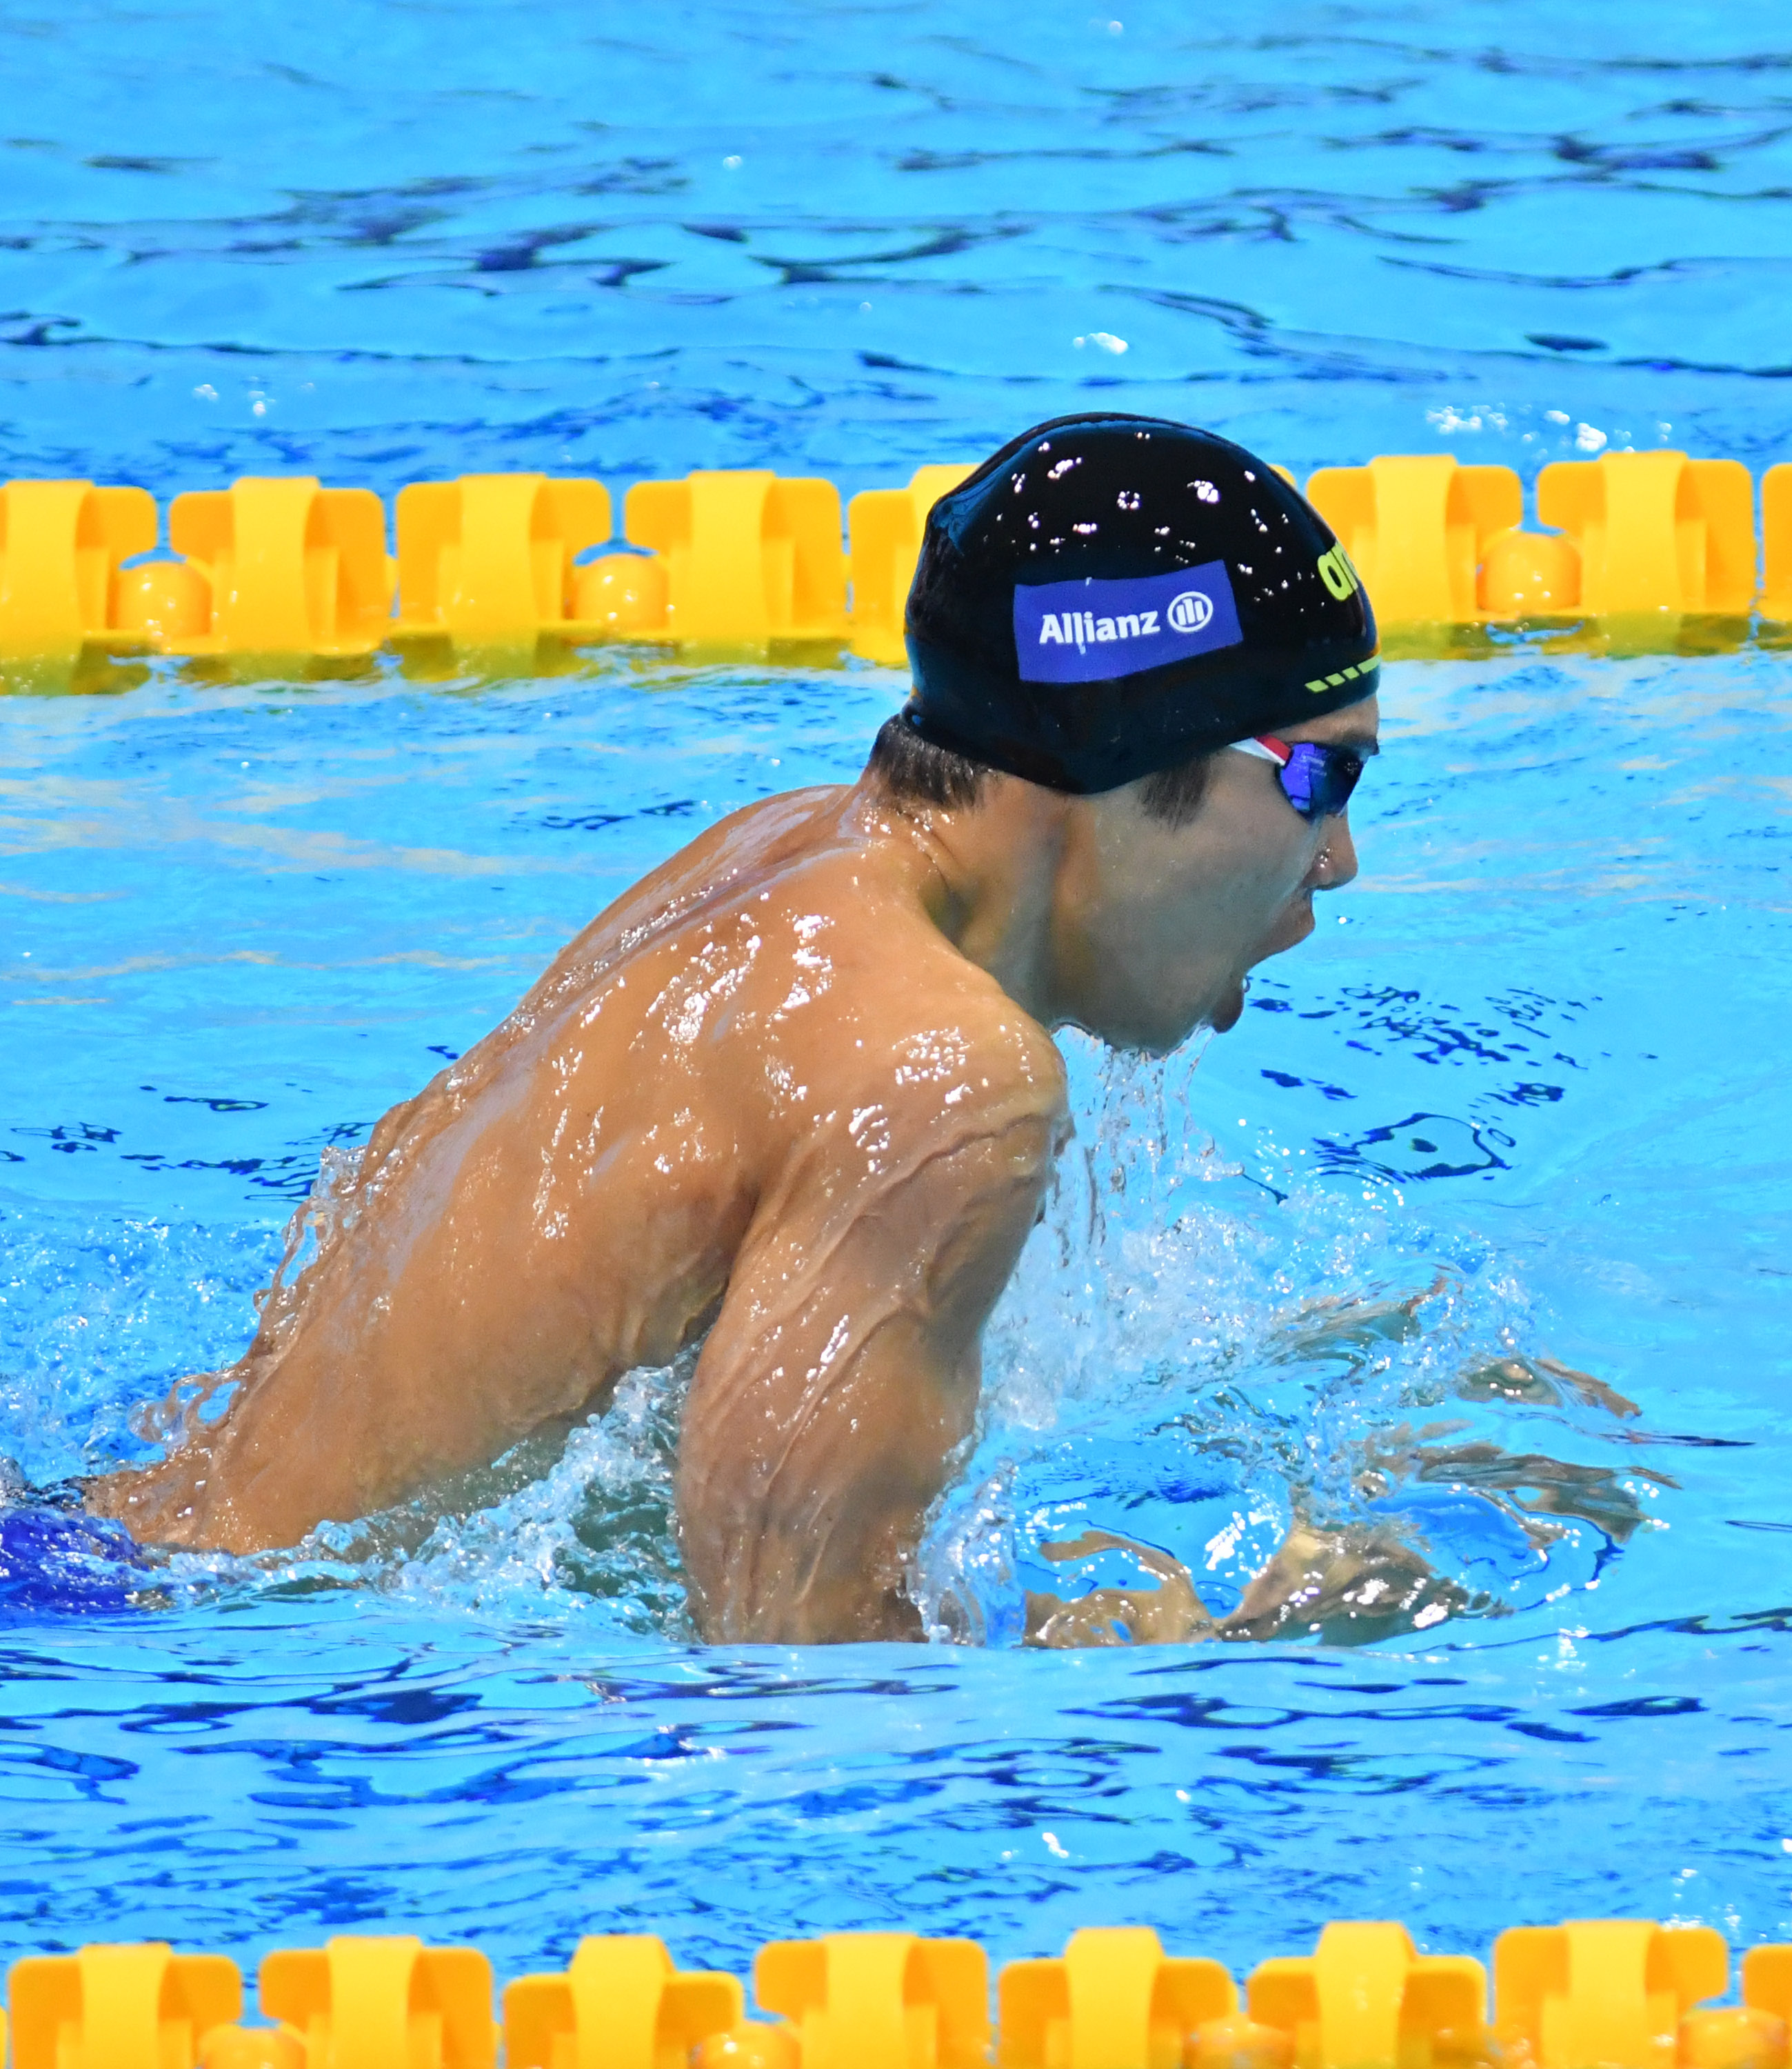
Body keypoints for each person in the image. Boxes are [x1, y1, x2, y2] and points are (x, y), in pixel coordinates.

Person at [89, 413, 1382, 1645]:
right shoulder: (950, 1078)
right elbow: (798, 1674)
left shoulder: (792, 849)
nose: (1339, 859)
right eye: (1323, 775)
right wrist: (1231, 1631)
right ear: (1125, 750)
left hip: (90, 1563)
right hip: (214, 1670)